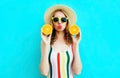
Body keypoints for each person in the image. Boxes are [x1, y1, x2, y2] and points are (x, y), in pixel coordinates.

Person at [40, 4, 82, 78]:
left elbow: (77, 71)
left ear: (67, 21)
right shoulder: (45, 42)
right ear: (52, 21)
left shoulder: (73, 42)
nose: (59, 22)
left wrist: (76, 45)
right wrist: (46, 45)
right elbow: (44, 72)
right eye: (56, 19)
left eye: (63, 19)